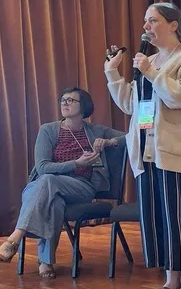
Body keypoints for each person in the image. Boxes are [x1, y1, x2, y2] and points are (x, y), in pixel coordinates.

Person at [104, 2, 181, 289]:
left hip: (178, 153)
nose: (146, 26)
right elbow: (132, 106)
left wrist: (150, 72)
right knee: (158, 219)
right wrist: (113, 73)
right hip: (146, 151)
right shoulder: (148, 61)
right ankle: (170, 280)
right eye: (145, 21)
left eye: (153, 20)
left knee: (180, 218)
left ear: (173, 24)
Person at [0, 88, 124, 278]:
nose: (65, 103)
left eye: (71, 100)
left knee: (48, 182)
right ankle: (46, 261)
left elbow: (130, 136)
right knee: (54, 201)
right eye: (63, 99)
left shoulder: (96, 130)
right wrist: (76, 163)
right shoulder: (48, 130)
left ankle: (14, 238)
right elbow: (42, 167)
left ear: (84, 106)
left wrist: (109, 142)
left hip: (81, 187)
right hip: (43, 187)